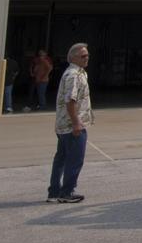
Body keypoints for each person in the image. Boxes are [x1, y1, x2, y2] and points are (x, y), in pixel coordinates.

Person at [47, 43, 92, 204]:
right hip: (71, 126)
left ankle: (54, 192)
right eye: (83, 56)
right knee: (75, 159)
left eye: (87, 55)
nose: (87, 58)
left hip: (62, 125)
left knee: (61, 158)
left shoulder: (77, 73)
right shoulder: (74, 75)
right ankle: (66, 192)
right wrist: (76, 123)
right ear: (73, 57)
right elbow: (70, 101)